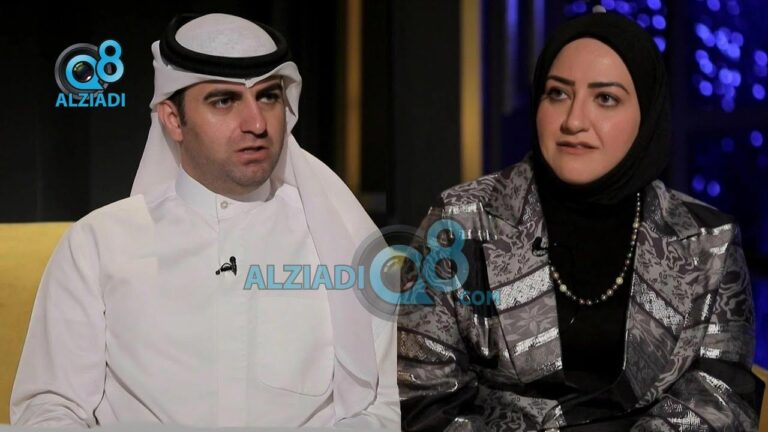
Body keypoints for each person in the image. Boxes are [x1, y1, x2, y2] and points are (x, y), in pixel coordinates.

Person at [11, 13, 399, 428]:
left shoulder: (341, 242)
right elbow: (50, 408)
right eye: (224, 101)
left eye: (268, 97)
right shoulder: (98, 243)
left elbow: (377, 410)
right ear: (172, 119)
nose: (256, 124)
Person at [397, 9, 763, 431]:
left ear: (646, 114)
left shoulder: (707, 241)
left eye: (605, 99)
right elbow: (421, 392)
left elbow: (720, 397)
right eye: (557, 93)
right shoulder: (460, 222)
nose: (573, 121)